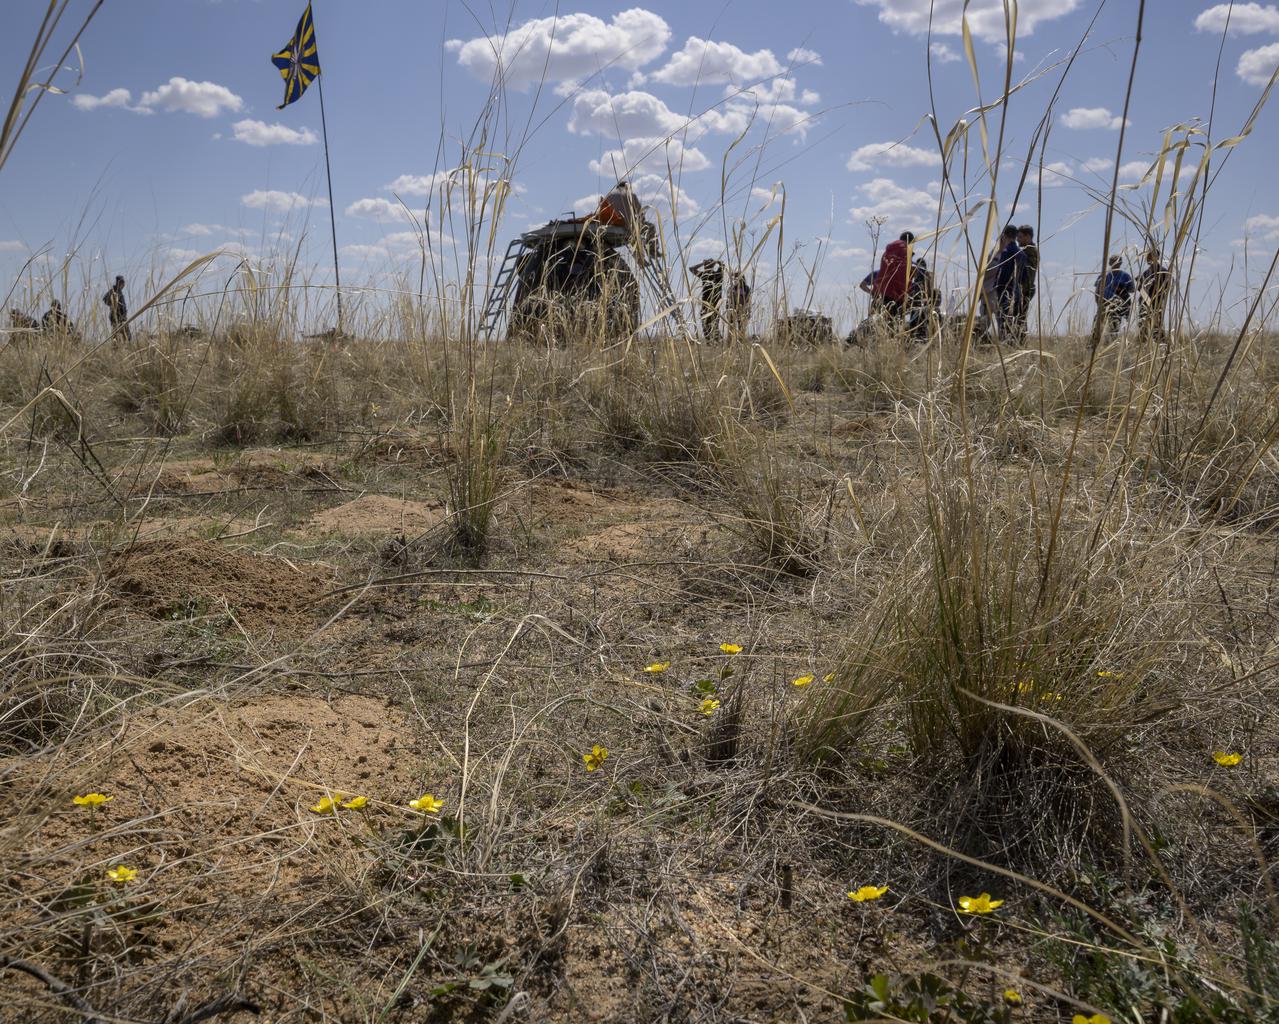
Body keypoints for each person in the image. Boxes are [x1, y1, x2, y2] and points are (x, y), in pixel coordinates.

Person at [988, 224, 1026, 343]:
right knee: (1014, 322)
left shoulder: (1006, 252)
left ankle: (1005, 344)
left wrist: (996, 288)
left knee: (1003, 323)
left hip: (1004, 291)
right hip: (1017, 293)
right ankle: (1014, 344)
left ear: (1005, 236)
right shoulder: (1022, 254)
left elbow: (1002, 274)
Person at [871, 231, 914, 320]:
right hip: (896, 294)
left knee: (881, 323)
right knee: (893, 324)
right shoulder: (905, 251)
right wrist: (907, 293)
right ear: (911, 242)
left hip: (882, 292)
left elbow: (882, 271)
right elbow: (903, 274)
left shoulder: (887, 251)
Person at [1137, 248, 1172, 341]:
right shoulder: (1146, 273)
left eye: (1151, 256)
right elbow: (1141, 290)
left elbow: (1166, 287)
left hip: (1157, 302)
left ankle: (1160, 344)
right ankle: (1144, 344)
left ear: (1157, 257)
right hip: (1145, 303)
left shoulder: (1163, 272)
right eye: (1149, 256)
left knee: (1157, 325)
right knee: (1143, 325)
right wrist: (1139, 285)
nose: (1149, 258)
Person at [1096, 255, 1135, 334]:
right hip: (1105, 304)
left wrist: (1122, 288)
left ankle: (1115, 342)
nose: (1115, 264)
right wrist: (1099, 304)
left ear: (1120, 263)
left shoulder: (1125, 276)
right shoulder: (1103, 276)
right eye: (1113, 262)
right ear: (1110, 263)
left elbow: (1132, 290)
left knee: (1115, 327)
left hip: (1121, 305)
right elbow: (1097, 292)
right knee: (1100, 326)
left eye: (1117, 262)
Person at [689, 258, 724, 342]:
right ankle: (714, 342)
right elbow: (722, 265)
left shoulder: (713, 275)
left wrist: (702, 263)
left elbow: (692, 269)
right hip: (710, 304)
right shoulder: (710, 275)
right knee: (710, 324)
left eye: (705, 265)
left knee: (710, 324)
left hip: (713, 304)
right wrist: (717, 262)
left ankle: (715, 342)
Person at [1016, 225, 1039, 339]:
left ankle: (1021, 341)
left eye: (1020, 236)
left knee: (1020, 318)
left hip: (1025, 289)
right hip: (1023, 289)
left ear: (1028, 236)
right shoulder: (1026, 251)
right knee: (1019, 318)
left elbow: (1027, 273)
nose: (1017, 239)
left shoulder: (1030, 252)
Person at [104, 274, 130, 341]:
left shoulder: (119, 292)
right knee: (116, 336)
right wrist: (113, 304)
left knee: (127, 336)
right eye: (123, 282)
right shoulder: (113, 291)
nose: (124, 284)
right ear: (120, 283)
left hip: (123, 318)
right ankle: (115, 350)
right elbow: (105, 299)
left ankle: (126, 349)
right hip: (116, 318)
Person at [727, 270, 751, 340]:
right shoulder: (731, 288)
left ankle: (741, 342)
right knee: (731, 328)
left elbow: (748, 300)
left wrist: (748, 311)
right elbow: (728, 300)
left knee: (741, 329)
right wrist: (728, 310)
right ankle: (730, 343)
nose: (736, 279)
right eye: (735, 278)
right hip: (733, 310)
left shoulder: (746, 288)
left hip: (742, 310)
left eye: (737, 277)